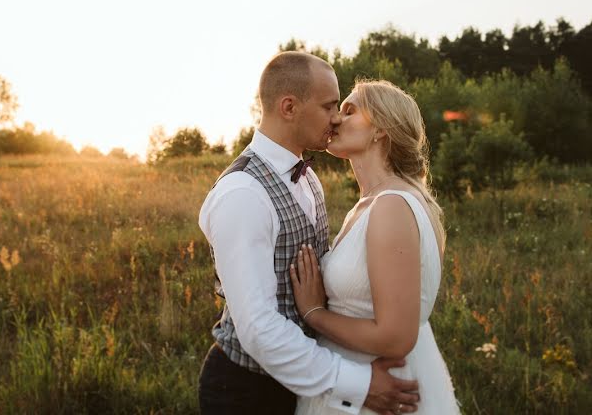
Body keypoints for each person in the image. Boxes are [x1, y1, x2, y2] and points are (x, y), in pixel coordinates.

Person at [197, 52, 421, 415]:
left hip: (302, 386)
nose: (336, 118)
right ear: (289, 107)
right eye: (329, 106)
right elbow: (258, 328)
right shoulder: (242, 194)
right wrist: (357, 383)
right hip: (246, 392)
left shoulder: (310, 178)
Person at [290, 79, 461, 415]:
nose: (336, 119)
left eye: (349, 110)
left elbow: (396, 338)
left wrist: (315, 314)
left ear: (381, 129)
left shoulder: (392, 206)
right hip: (356, 386)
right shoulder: (370, 204)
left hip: (379, 392)